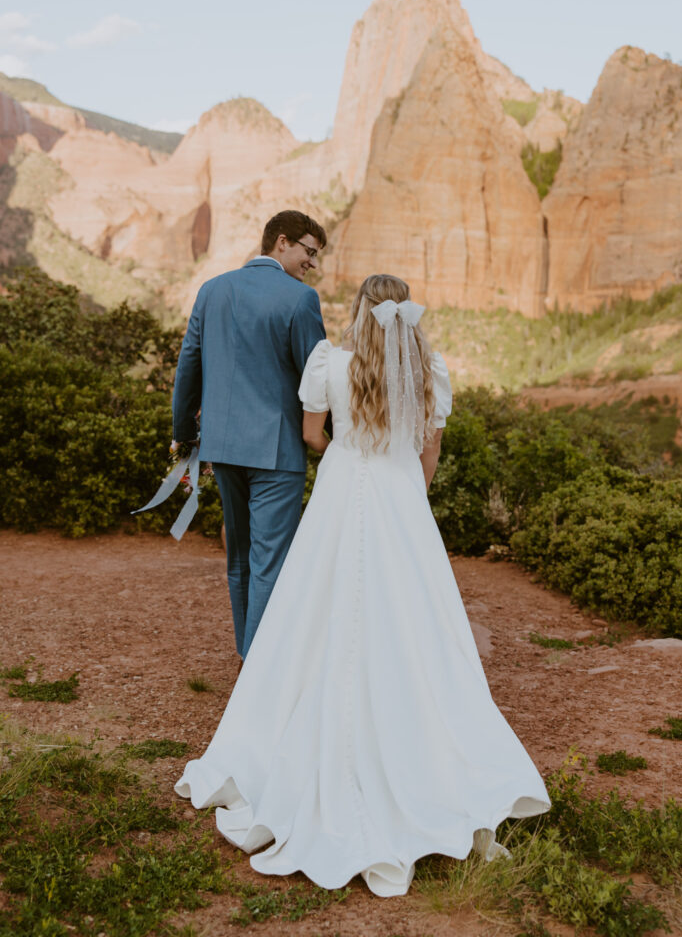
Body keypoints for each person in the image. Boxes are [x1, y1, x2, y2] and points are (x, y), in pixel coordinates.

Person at [175, 273, 550, 897]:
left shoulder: (332, 362)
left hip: (342, 495)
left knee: (316, 614)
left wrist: (348, 453)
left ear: (358, 310)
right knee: (415, 621)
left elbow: (311, 434)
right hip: (402, 501)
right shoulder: (429, 370)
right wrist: (407, 487)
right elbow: (429, 452)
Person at [172, 209, 327, 660]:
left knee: (238, 556)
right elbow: (314, 380)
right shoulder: (301, 300)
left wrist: (185, 436)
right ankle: (261, 674)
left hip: (221, 447)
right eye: (309, 252)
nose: (311, 263)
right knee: (270, 563)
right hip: (276, 452)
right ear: (282, 242)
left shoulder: (212, 289)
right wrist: (343, 439)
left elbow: (189, 367)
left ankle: (248, 656)